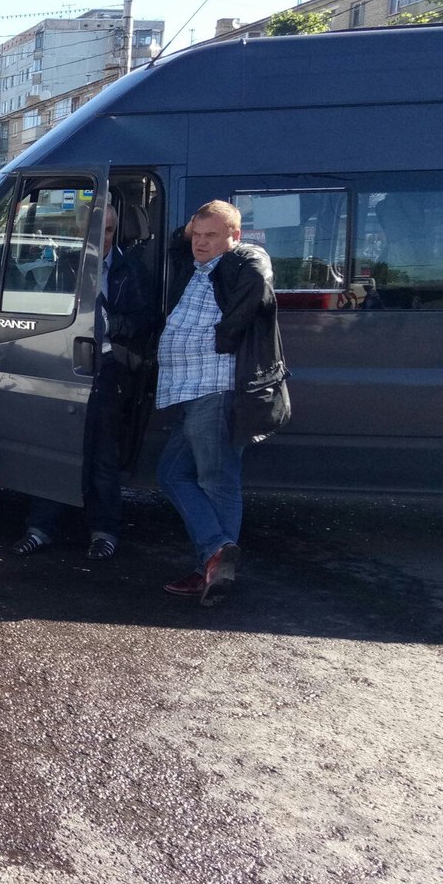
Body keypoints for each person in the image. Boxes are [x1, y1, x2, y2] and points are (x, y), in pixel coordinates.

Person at [155, 200, 289, 605]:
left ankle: (213, 562)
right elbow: (177, 241)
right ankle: (216, 555)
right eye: (197, 234)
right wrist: (195, 227)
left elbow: (258, 282)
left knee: (218, 480)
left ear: (235, 237)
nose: (200, 242)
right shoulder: (196, 263)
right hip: (188, 389)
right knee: (171, 474)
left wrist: (224, 336)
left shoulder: (242, 261)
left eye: (211, 236)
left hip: (215, 388)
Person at [11, 201, 155, 560]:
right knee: (55, 451)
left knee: (102, 456)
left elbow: (147, 318)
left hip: (106, 369)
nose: (102, 238)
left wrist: (114, 324)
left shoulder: (128, 268)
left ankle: (104, 532)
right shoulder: (64, 265)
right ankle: (40, 528)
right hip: (63, 368)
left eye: (108, 230)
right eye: (95, 230)